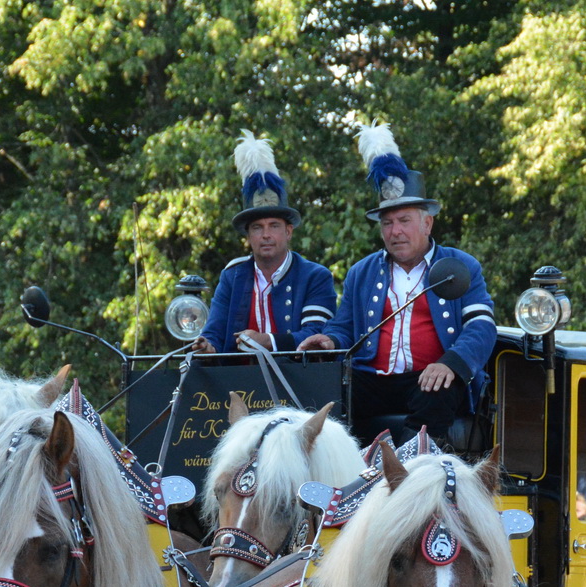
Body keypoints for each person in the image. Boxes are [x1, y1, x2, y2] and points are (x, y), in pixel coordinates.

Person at [299, 123, 497, 447]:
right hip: (374, 382)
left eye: (404, 221)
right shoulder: (361, 272)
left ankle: (409, 472)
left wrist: (451, 362)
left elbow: (482, 325)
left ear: (427, 223)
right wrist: (330, 339)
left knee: (439, 387)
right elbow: (345, 327)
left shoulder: (460, 266)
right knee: (328, 393)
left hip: (429, 380)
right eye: (387, 223)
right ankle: (338, 474)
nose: (395, 231)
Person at [193, 132, 336, 355]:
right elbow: (215, 332)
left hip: (297, 383)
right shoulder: (232, 276)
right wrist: (207, 347)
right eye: (257, 228)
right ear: (248, 236)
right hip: (237, 384)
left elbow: (316, 334)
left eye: (274, 226)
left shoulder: (315, 276)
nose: (266, 234)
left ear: (289, 231)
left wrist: (267, 341)